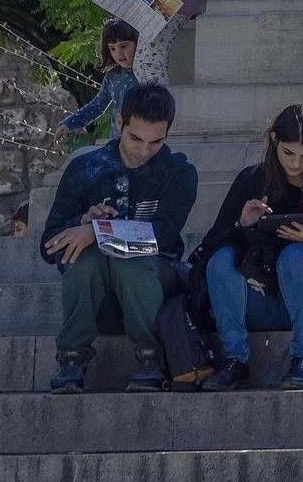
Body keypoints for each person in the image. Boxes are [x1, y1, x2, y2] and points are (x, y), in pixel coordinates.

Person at [40, 83, 197, 393]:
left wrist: (97, 232)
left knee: (132, 258)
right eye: (135, 138)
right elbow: (48, 246)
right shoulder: (85, 168)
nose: (143, 151)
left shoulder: (179, 173)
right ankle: (71, 359)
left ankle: (150, 360)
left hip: (152, 288)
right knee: (83, 256)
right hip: (98, 299)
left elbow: (161, 236)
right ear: (120, 122)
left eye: (156, 142)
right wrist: (81, 223)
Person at [198, 103, 303, 391]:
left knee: (296, 254)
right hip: (258, 296)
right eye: (288, 153)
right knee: (222, 259)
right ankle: (235, 360)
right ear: (274, 140)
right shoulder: (252, 178)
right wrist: (242, 224)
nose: (296, 163)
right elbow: (209, 244)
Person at [51, 19, 139, 148]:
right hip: (117, 144)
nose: (118, 53)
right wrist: (68, 124)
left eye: (124, 46)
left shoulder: (149, 74)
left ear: (137, 43)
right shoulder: (112, 76)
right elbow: (97, 105)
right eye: (112, 48)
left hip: (144, 144)